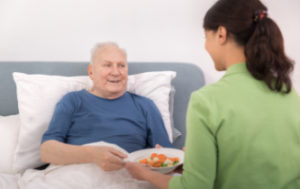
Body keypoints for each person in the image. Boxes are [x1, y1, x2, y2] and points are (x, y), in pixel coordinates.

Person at [125, 0, 300, 188]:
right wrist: (198, 163)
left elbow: (194, 187)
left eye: (206, 37)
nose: (206, 46)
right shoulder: (288, 93)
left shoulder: (206, 101)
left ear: (221, 34)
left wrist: (144, 174)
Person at [40, 42, 173, 171]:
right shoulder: (72, 100)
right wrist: (92, 155)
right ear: (91, 72)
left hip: (127, 177)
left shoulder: (145, 106)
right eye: (107, 65)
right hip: (77, 174)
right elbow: (47, 151)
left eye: (121, 65)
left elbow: (166, 155)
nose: (115, 72)